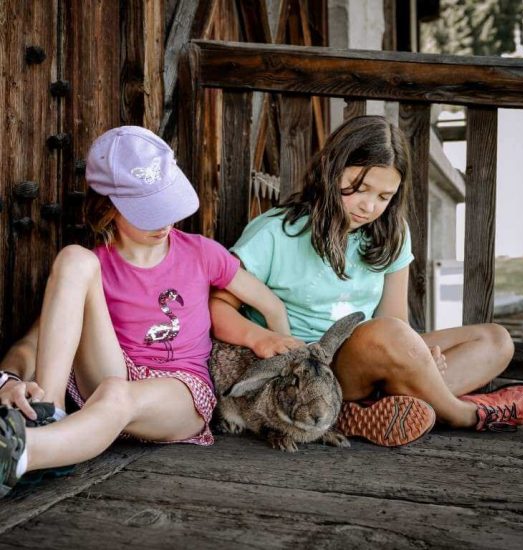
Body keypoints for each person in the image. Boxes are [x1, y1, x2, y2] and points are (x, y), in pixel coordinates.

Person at [209, 115, 523, 445]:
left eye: (384, 197)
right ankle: (462, 414)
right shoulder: (276, 232)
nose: (369, 206)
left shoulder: (392, 235)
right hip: (307, 375)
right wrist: (262, 338)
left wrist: (421, 354)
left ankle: (373, 409)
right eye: (359, 188)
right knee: (387, 335)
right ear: (331, 169)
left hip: (369, 358)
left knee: (495, 341)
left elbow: (397, 322)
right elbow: (217, 305)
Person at [0, 126, 299, 497]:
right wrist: (9, 379)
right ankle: (50, 413)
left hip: (179, 394)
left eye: (167, 205)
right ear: (108, 206)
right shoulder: (97, 265)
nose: (163, 222)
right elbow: (35, 342)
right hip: (111, 376)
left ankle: (26, 451)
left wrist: (279, 347)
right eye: (148, 211)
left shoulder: (201, 252)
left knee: (117, 394)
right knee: (74, 259)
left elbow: (269, 303)